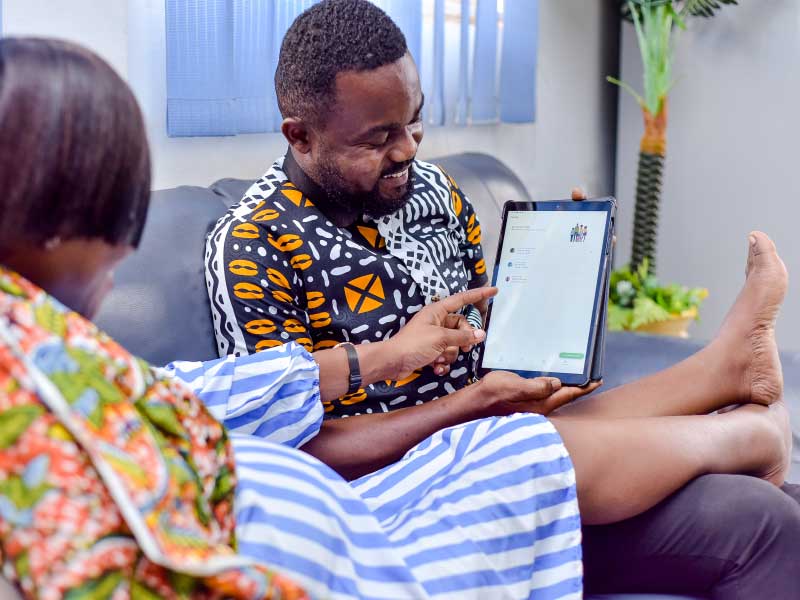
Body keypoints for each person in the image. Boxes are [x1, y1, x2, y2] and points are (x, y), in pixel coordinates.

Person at [205, 1, 800, 598]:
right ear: (300, 136)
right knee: (754, 514)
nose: (408, 149)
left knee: (773, 504)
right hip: (402, 501)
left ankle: (730, 370)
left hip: (498, 431)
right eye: (378, 138)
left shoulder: (434, 193)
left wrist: (559, 284)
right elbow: (298, 456)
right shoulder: (254, 247)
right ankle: (746, 424)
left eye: (415, 121)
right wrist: (468, 407)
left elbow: (485, 330)